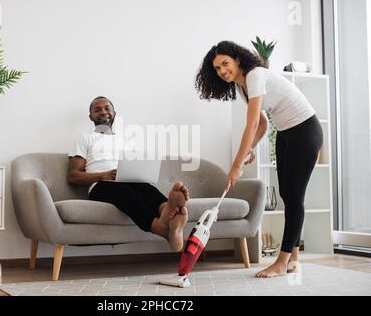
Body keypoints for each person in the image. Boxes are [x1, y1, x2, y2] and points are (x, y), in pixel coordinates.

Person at [195, 41, 323, 277]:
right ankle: (293, 257)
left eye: (225, 63)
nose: (222, 71)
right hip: (286, 132)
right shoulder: (242, 87)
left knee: (294, 198)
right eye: (217, 68)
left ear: (238, 60)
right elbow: (263, 124)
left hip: (305, 130)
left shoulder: (254, 76)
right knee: (288, 195)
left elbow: (252, 123)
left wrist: (235, 166)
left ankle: (282, 261)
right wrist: (251, 147)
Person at [67, 96, 189, 252]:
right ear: (91, 116)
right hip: (100, 185)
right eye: (97, 110)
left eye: (107, 108)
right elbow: (72, 176)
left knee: (146, 189)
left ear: (114, 113)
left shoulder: (124, 139)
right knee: (128, 193)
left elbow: (133, 164)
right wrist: (103, 175)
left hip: (126, 178)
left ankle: (167, 210)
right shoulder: (85, 138)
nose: (103, 112)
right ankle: (162, 227)